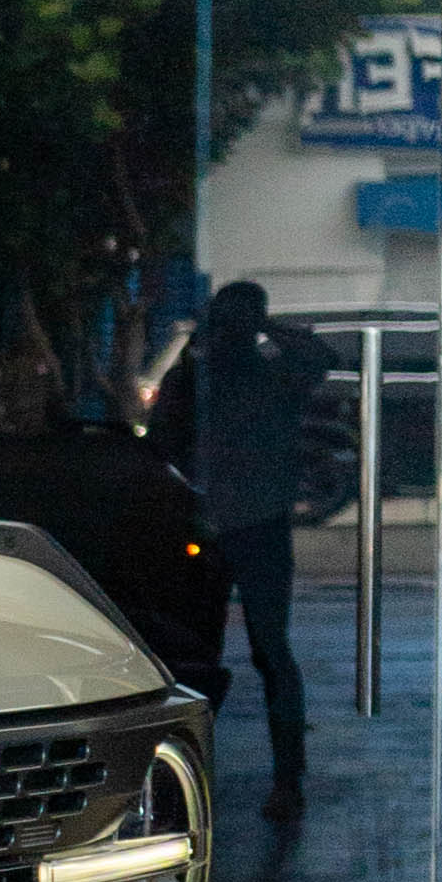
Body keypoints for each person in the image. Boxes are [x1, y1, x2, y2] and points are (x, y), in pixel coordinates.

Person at [148, 276, 313, 807]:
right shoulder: (215, 375)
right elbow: (163, 440)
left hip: (232, 521)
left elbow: (160, 442)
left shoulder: (235, 374)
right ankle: (274, 780)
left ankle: (211, 783)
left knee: (239, 653)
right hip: (239, 521)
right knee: (233, 652)